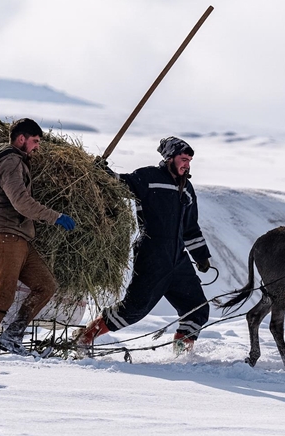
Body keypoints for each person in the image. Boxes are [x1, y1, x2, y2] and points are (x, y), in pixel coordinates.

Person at [77, 136, 211, 355]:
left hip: (178, 259)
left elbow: (190, 228)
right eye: (183, 159)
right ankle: (86, 336)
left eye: (189, 160)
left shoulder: (186, 189)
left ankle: (181, 355)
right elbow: (120, 185)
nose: (187, 164)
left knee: (196, 308)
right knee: (134, 309)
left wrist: (201, 256)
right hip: (152, 255)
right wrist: (102, 172)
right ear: (170, 158)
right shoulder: (147, 177)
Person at [0, 118, 76, 355]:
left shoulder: (17, 162)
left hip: (20, 239)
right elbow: (21, 203)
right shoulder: (10, 162)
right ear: (21, 139)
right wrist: (54, 216)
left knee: (46, 286)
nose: (37, 146)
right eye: (35, 141)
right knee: (3, 295)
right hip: (3, 236)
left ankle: (12, 336)